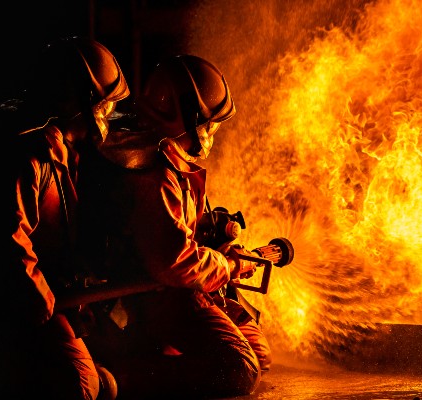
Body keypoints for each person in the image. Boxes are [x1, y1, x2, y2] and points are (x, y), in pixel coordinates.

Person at [0, 36, 130, 400]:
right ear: (76, 102)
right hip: (5, 297)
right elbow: (8, 239)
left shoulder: (60, 146)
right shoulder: (24, 149)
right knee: (79, 386)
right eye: (101, 105)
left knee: (104, 380)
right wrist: (37, 295)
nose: (105, 116)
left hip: (40, 291)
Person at [76, 54, 272, 399]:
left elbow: (180, 231)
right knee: (238, 370)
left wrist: (215, 236)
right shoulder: (157, 172)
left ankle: (155, 357)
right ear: (187, 118)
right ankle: (117, 376)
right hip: (157, 294)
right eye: (209, 124)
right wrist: (226, 265)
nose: (211, 132)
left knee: (261, 354)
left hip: (178, 288)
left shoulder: (167, 159)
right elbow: (172, 260)